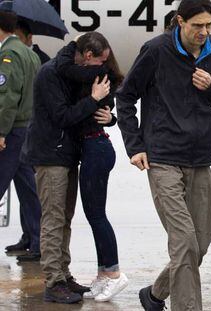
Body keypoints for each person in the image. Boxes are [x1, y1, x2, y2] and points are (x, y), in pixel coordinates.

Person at [116, 0, 211, 309]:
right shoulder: (156, 51)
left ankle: (155, 294)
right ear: (180, 21)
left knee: (200, 245)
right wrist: (135, 146)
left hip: (200, 159)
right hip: (162, 158)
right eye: (197, 25)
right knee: (184, 242)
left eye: (209, 25)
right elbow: (126, 97)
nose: (204, 32)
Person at [20, 32, 111, 304]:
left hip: (67, 153)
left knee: (65, 218)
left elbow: (82, 115)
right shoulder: (51, 75)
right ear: (87, 56)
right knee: (53, 219)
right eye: (101, 61)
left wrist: (109, 116)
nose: (103, 67)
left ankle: (63, 272)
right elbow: (62, 116)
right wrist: (93, 100)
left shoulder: (72, 73)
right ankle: (53, 281)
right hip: (50, 155)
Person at [54, 33, 128, 302]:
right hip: (95, 146)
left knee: (97, 215)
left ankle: (114, 273)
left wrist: (72, 43)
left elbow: (63, 67)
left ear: (88, 55)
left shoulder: (95, 73)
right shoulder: (99, 74)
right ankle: (103, 273)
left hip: (96, 148)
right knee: (94, 214)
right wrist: (111, 118)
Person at [4, 19, 50, 257]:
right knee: (29, 188)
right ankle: (37, 239)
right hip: (28, 129)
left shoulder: (10, 54)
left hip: (13, 130)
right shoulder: (30, 55)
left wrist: (1, 131)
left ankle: (37, 239)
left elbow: (8, 97)